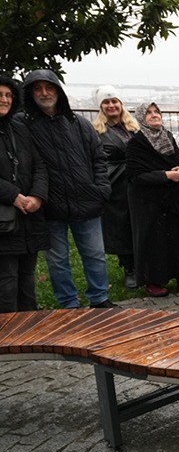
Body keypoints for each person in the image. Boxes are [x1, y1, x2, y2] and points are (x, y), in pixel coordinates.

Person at [18, 69, 115, 309]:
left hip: (87, 200)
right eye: (38, 89)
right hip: (50, 205)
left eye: (49, 88)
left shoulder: (79, 123)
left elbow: (98, 157)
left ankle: (99, 298)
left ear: (58, 91)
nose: (44, 93)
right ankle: (68, 304)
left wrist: (101, 188)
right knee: (58, 260)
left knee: (94, 255)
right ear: (30, 94)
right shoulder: (24, 125)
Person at [125, 102, 179, 296]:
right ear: (141, 117)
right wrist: (165, 175)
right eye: (148, 113)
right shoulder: (136, 142)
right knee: (154, 241)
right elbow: (135, 175)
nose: (154, 115)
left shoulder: (168, 137)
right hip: (149, 201)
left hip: (173, 199)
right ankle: (154, 280)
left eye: (156, 111)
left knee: (178, 237)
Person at [0, 76, 48, 312]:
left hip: (29, 217)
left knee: (27, 278)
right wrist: (13, 195)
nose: (4, 99)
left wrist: (37, 196)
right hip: (5, 218)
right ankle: (8, 338)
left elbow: (39, 164)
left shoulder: (19, 127)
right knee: (6, 282)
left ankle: (30, 330)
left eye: (8, 95)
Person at [91, 86, 138, 289]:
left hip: (137, 184)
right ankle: (129, 267)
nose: (111, 106)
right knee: (121, 227)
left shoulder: (133, 127)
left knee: (138, 224)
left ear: (121, 104)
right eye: (106, 103)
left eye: (114, 101)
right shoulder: (97, 131)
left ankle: (143, 264)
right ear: (101, 106)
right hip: (116, 185)